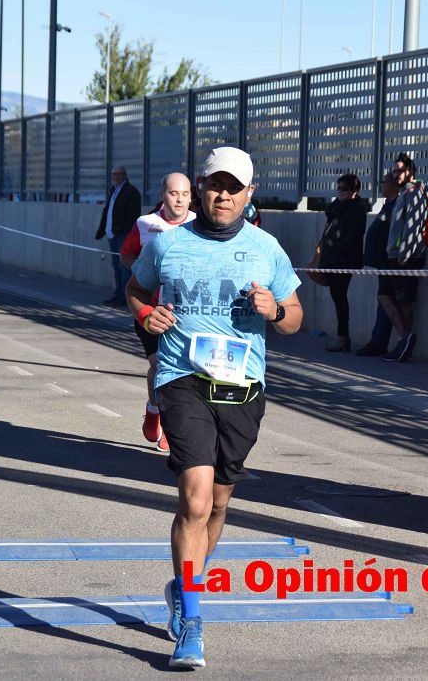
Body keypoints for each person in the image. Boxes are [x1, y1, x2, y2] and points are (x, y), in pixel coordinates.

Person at [127, 147, 303, 669]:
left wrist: (275, 310)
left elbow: (294, 315)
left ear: (250, 194)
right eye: (215, 185)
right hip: (183, 377)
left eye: (235, 187)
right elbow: (135, 290)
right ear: (200, 187)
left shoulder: (267, 247)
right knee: (196, 498)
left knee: (220, 503)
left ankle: (184, 587)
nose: (223, 195)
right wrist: (146, 315)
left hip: (243, 385)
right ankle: (193, 621)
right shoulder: (169, 243)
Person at [120, 173, 196, 452]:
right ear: (163, 195)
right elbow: (126, 254)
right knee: (159, 366)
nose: (180, 199)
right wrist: (144, 272)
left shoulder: (198, 225)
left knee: (182, 372)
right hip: (150, 309)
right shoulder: (145, 224)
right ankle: (155, 411)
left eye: (186, 194)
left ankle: (167, 420)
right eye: (174, 193)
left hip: (185, 313)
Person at [379, 153, 428, 362]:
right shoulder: (403, 193)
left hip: (405, 258)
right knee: (386, 297)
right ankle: (404, 338)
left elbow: (413, 226)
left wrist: (404, 255)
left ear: (410, 172)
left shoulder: (414, 193)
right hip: (395, 256)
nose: (396, 174)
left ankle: (405, 342)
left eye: (400, 170)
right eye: (394, 170)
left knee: (404, 301)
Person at [318, 173, 367, 352]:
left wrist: (337, 247)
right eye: (339, 188)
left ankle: (343, 337)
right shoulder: (336, 207)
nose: (340, 192)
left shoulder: (357, 209)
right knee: (336, 296)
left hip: (344, 260)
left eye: (344, 189)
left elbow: (354, 235)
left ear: (354, 191)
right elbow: (330, 217)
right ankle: (342, 337)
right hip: (331, 259)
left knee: (340, 297)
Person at [356, 171, 400, 356]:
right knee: (383, 299)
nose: (382, 186)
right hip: (382, 261)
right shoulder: (388, 205)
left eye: (384, 182)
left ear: (393, 184)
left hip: (390, 261)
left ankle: (400, 338)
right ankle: (379, 340)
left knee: (386, 298)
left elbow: (396, 234)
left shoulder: (397, 206)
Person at [94, 165, 142, 306]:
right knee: (116, 266)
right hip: (112, 234)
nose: (115, 177)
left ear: (124, 175)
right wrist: (102, 230)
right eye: (114, 174)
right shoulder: (114, 191)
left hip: (123, 234)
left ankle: (125, 297)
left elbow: (133, 215)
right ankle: (118, 294)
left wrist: (123, 230)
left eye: (118, 174)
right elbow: (107, 211)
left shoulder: (131, 192)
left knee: (124, 266)